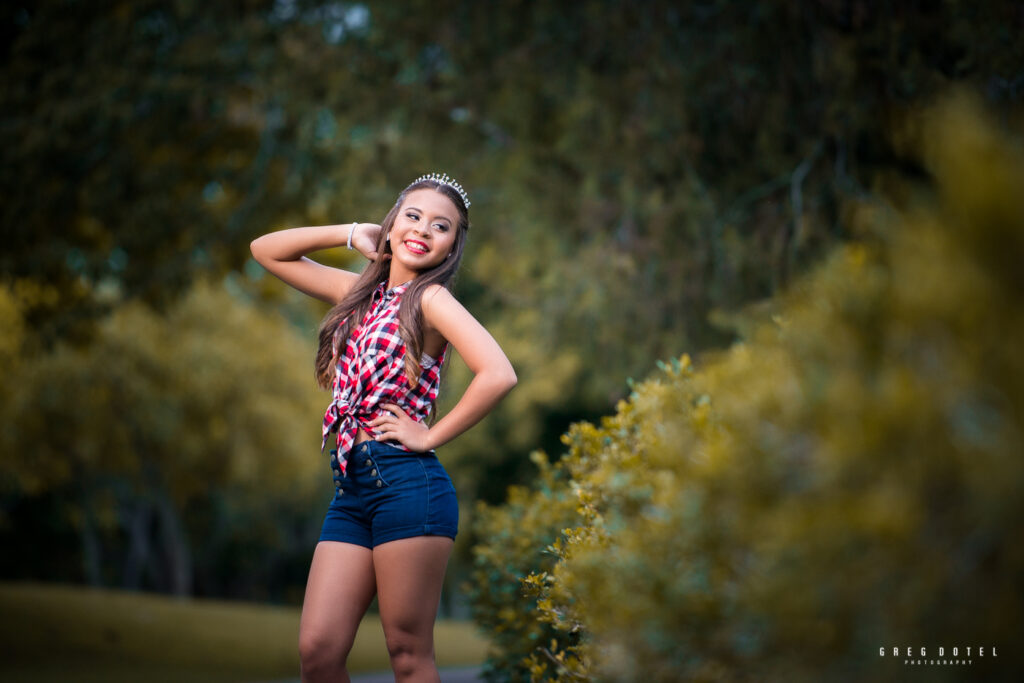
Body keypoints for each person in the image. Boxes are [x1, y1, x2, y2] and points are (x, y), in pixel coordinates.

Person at [250, 173, 517, 682]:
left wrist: (430, 436)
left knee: (407, 652)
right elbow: (266, 250)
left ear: (451, 247)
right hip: (351, 486)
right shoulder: (357, 295)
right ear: (392, 224)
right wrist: (353, 233)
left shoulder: (430, 302)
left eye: (442, 226)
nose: (423, 230)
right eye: (413, 216)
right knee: (318, 651)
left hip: (407, 485)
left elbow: (498, 373)